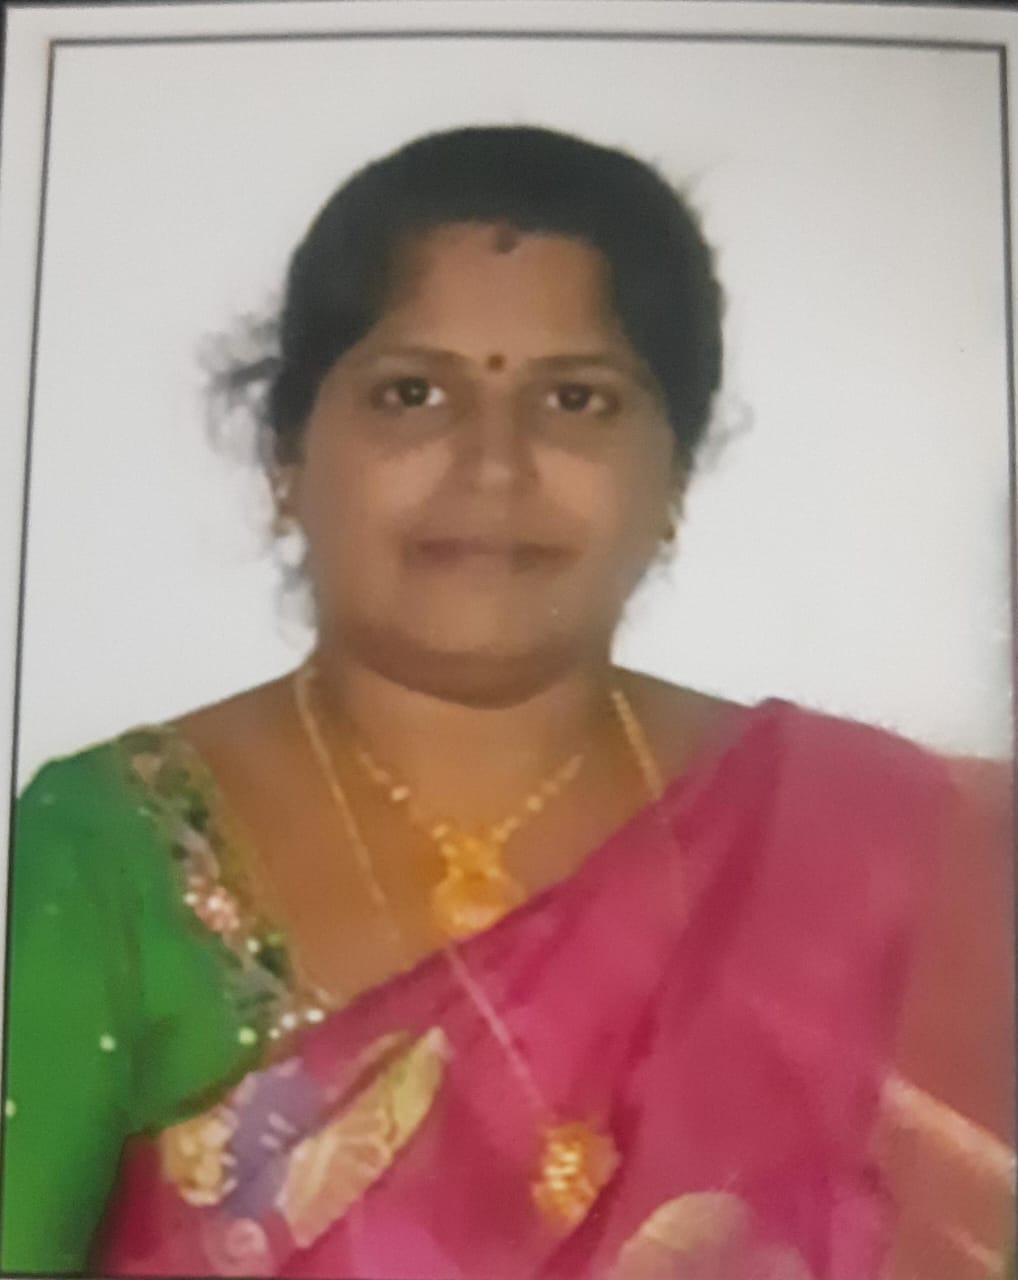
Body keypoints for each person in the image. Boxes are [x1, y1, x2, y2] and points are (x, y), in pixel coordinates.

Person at [0, 125, 1012, 1280]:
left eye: (577, 398)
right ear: (287, 458)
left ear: (673, 477)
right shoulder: (108, 845)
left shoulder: (870, 844)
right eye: (411, 392)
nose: (494, 462)